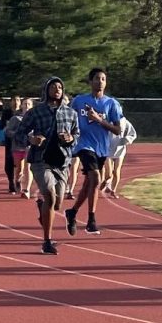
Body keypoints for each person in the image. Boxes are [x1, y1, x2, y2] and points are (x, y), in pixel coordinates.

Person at [19, 77, 79, 255]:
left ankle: (43, 207)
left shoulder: (70, 113)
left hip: (62, 163)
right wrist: (31, 139)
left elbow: (77, 135)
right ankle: (47, 241)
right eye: (53, 87)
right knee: (50, 197)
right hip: (40, 161)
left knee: (57, 204)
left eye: (60, 87)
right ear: (46, 91)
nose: (57, 90)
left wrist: (71, 139)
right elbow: (17, 133)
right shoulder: (36, 112)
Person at [66, 68, 123, 236]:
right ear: (90, 81)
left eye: (103, 79)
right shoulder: (79, 101)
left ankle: (73, 212)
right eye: (97, 78)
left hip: (101, 148)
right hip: (83, 145)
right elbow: (67, 118)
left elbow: (117, 130)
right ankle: (91, 220)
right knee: (96, 178)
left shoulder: (111, 103)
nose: (100, 82)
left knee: (89, 183)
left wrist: (99, 120)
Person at [101, 115, 137, 198]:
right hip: (108, 150)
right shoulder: (107, 120)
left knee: (116, 171)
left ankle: (113, 190)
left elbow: (133, 134)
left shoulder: (124, 121)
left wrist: (127, 140)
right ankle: (106, 181)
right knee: (109, 173)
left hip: (120, 149)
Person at [6, 98, 34, 199]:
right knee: (19, 169)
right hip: (17, 147)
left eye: (29, 104)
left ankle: (27, 190)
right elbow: (8, 131)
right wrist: (16, 134)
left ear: (32, 106)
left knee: (28, 167)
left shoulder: (34, 118)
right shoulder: (15, 118)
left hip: (29, 146)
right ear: (21, 106)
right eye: (25, 104)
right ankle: (17, 180)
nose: (26, 106)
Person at [0, 96, 22, 192]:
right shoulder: (7, 112)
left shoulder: (23, 112)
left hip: (21, 142)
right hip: (10, 141)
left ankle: (18, 180)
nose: (16, 102)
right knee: (9, 163)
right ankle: (11, 182)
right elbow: (2, 126)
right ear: (11, 102)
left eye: (18, 100)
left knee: (20, 163)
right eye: (14, 100)